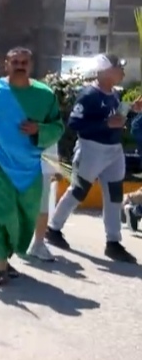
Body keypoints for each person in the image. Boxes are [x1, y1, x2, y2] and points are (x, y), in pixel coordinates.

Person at [0, 48, 64, 285]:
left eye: (24, 62)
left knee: (24, 218)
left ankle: (7, 259)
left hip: (30, 168)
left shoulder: (45, 94)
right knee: (1, 215)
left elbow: (57, 127)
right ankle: (0, 265)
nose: (20, 65)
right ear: (5, 64)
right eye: (15, 61)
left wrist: (40, 129)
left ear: (30, 65)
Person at [45, 53, 140, 262]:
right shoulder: (89, 95)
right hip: (91, 149)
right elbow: (75, 123)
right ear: (105, 71)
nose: (123, 71)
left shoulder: (114, 94)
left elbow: (115, 117)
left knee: (114, 195)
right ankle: (53, 228)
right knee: (78, 191)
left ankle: (113, 242)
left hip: (114, 150)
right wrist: (106, 125)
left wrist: (131, 110)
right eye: (119, 67)